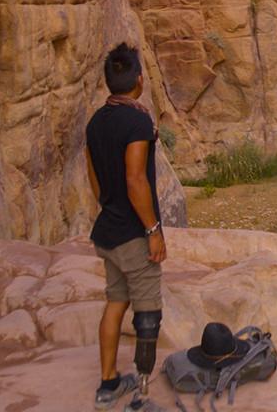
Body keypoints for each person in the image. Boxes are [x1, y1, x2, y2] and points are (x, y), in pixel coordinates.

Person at [86, 43, 167, 410]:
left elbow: (95, 180)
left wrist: (109, 208)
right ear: (138, 79)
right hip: (133, 234)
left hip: (107, 230)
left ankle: (108, 384)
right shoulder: (136, 121)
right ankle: (142, 394)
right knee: (148, 312)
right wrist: (152, 229)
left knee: (115, 302)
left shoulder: (96, 121)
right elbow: (136, 180)